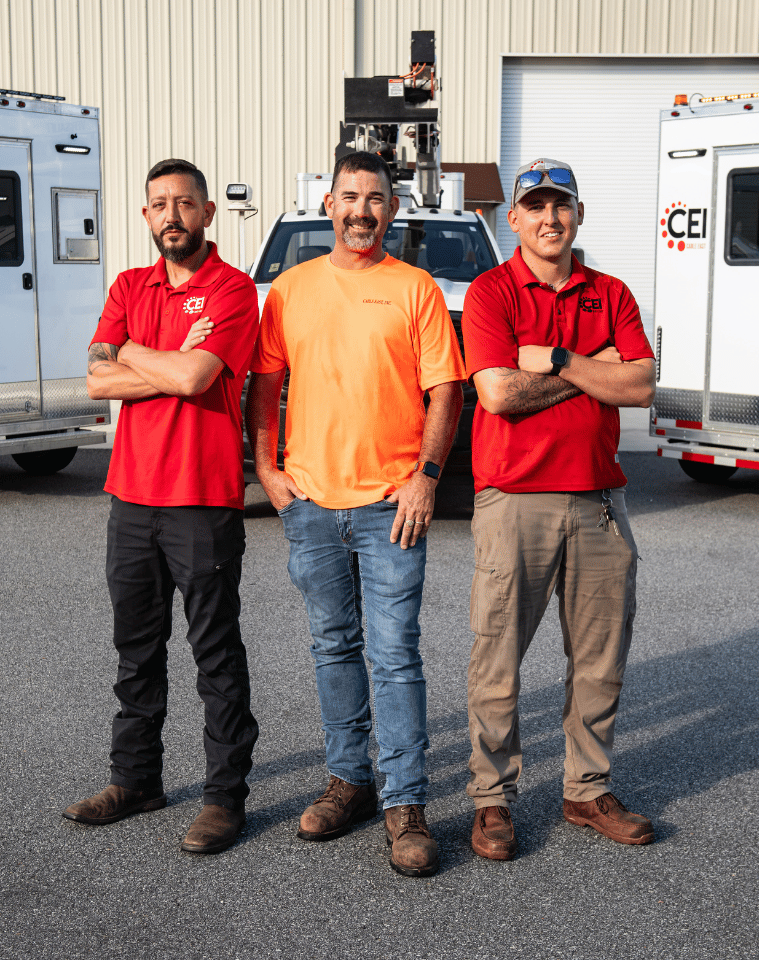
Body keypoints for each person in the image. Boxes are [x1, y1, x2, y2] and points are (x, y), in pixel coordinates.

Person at [246, 151, 465, 877]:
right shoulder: (289, 289)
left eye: (375, 198)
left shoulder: (416, 289)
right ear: (328, 205)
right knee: (332, 647)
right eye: (350, 197)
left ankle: (406, 804)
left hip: (390, 507)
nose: (362, 211)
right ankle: (350, 781)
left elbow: (446, 391)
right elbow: (265, 385)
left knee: (395, 653)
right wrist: (268, 471)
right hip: (310, 504)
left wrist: (427, 478)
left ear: (393, 210)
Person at [461, 158, 657, 860]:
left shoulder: (611, 293)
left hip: (600, 501)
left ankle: (586, 788)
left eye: (561, 206)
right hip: (514, 501)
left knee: (600, 658)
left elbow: (639, 385)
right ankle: (491, 800)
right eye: (535, 207)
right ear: (512, 218)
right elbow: (499, 396)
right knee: (498, 657)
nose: (550, 219)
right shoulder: (490, 292)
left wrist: (564, 359)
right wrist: (596, 371)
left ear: (578, 214)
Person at [64, 158, 260, 856]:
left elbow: (196, 376)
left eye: (184, 203)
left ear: (207, 214)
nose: (170, 215)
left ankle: (223, 798)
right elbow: (94, 378)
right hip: (131, 501)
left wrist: (136, 356)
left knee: (216, 657)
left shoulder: (234, 291)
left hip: (201, 504)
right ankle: (135, 780)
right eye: (158, 205)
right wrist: (164, 364)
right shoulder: (128, 284)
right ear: (145, 217)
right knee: (136, 652)